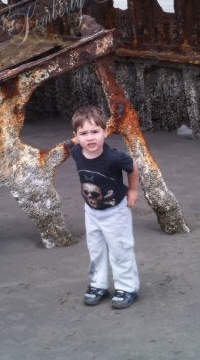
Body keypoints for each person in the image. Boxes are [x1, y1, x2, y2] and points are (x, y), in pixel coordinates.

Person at [65, 105, 140, 309]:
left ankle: (127, 287)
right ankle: (98, 284)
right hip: (92, 212)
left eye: (95, 132)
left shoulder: (114, 157)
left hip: (116, 212)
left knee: (120, 250)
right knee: (96, 250)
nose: (90, 138)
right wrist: (73, 140)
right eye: (84, 133)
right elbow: (70, 143)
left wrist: (132, 190)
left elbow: (132, 166)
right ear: (76, 136)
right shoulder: (77, 152)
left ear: (105, 132)